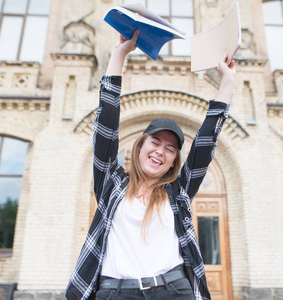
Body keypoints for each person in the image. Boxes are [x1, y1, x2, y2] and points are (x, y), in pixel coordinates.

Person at [66, 30, 236, 300]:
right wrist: (118, 54)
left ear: (173, 161)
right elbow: (106, 127)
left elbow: (205, 142)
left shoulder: (177, 193)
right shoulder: (112, 183)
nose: (160, 152)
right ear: (141, 146)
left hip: (173, 290)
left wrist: (227, 81)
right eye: (155, 143)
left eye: (170, 149)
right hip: (115, 293)